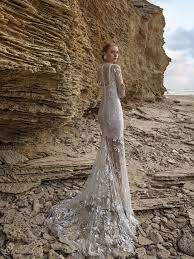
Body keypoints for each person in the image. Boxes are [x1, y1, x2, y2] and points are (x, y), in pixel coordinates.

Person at [44, 42, 139, 258]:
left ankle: (112, 187)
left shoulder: (98, 69)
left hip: (103, 112)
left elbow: (101, 87)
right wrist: (123, 85)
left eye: (117, 52)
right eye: (112, 52)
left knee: (108, 148)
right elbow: (121, 93)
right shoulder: (116, 68)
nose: (115, 55)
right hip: (114, 111)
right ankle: (118, 192)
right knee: (117, 151)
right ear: (104, 53)